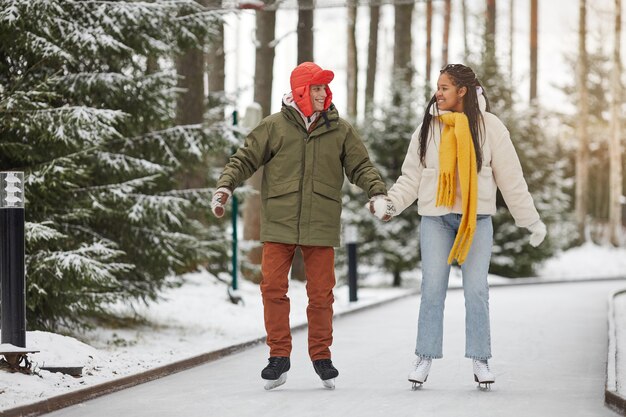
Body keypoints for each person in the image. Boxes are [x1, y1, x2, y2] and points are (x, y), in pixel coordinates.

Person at [211, 62, 387, 390]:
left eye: (325, 88)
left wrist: (377, 193)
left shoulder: (340, 130)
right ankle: (278, 356)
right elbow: (244, 158)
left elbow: (360, 165)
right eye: (317, 88)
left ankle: (321, 356)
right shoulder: (273, 127)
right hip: (279, 220)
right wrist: (225, 187)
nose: (323, 94)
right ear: (301, 92)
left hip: (320, 221)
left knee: (321, 293)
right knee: (273, 289)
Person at [372, 64, 546, 389]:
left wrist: (530, 220)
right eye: (437, 87)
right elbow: (411, 177)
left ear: (462, 91)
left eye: (444, 88)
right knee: (432, 289)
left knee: (476, 291)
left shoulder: (490, 127)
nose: (438, 93)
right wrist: (391, 204)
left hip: (476, 220)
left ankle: (480, 360)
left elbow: (511, 180)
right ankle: (424, 357)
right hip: (435, 219)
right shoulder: (428, 127)